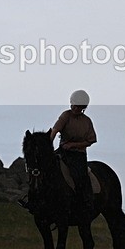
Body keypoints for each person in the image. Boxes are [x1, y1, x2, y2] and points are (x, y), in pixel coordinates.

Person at [51, 89, 96, 217]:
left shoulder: (87, 121)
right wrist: (48, 146)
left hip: (78, 155)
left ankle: (86, 201)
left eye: (79, 107)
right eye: (75, 105)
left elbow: (91, 140)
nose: (76, 108)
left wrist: (74, 145)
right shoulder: (65, 116)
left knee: (80, 175)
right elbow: (54, 131)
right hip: (63, 151)